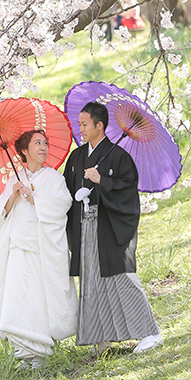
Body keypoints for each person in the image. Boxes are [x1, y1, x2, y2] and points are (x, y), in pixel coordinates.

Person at [63, 101, 162, 354]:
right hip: (84, 227)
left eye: (85, 124)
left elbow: (127, 192)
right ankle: (101, 340)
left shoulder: (119, 157)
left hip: (108, 227)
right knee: (91, 281)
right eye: (80, 124)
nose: (81, 128)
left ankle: (149, 332)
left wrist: (102, 181)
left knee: (121, 277)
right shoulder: (76, 157)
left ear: (100, 125)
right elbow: (66, 192)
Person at [0, 130, 78, 367]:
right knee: (19, 296)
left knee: (38, 297)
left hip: (42, 246)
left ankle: (40, 350)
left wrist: (34, 198)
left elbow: (63, 204)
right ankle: (23, 351)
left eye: (45, 143)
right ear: (23, 150)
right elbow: (1, 214)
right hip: (19, 245)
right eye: (37, 143)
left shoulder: (54, 178)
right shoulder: (15, 178)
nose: (43, 147)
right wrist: (14, 195)